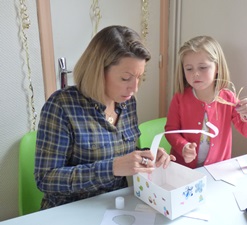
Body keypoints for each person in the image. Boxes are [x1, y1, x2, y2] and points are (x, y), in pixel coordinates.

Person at [35, 25, 175, 209]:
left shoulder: (127, 103)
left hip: (116, 204)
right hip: (70, 209)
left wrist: (147, 156)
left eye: (139, 77)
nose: (134, 88)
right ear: (98, 71)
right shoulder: (62, 106)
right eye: (126, 78)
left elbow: (124, 150)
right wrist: (112, 168)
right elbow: (46, 178)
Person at [165, 35, 247, 169]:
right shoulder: (179, 98)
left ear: (217, 68)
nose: (195, 74)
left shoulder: (229, 99)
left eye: (203, 67)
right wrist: (183, 146)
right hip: (184, 170)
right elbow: (171, 130)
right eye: (189, 68)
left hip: (216, 171)